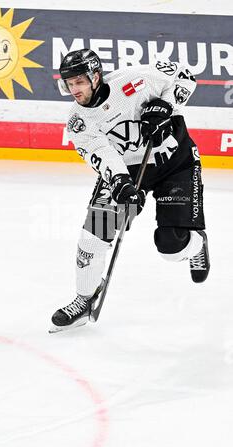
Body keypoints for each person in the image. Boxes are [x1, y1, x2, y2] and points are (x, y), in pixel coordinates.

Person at [50, 49, 210, 333]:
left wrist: (165, 104)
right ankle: (84, 299)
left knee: (171, 247)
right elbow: (103, 155)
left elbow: (185, 77)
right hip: (128, 171)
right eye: (69, 84)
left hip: (175, 163)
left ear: (95, 76)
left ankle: (197, 244)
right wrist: (121, 183)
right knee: (93, 236)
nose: (74, 90)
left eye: (79, 82)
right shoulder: (79, 122)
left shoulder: (135, 80)